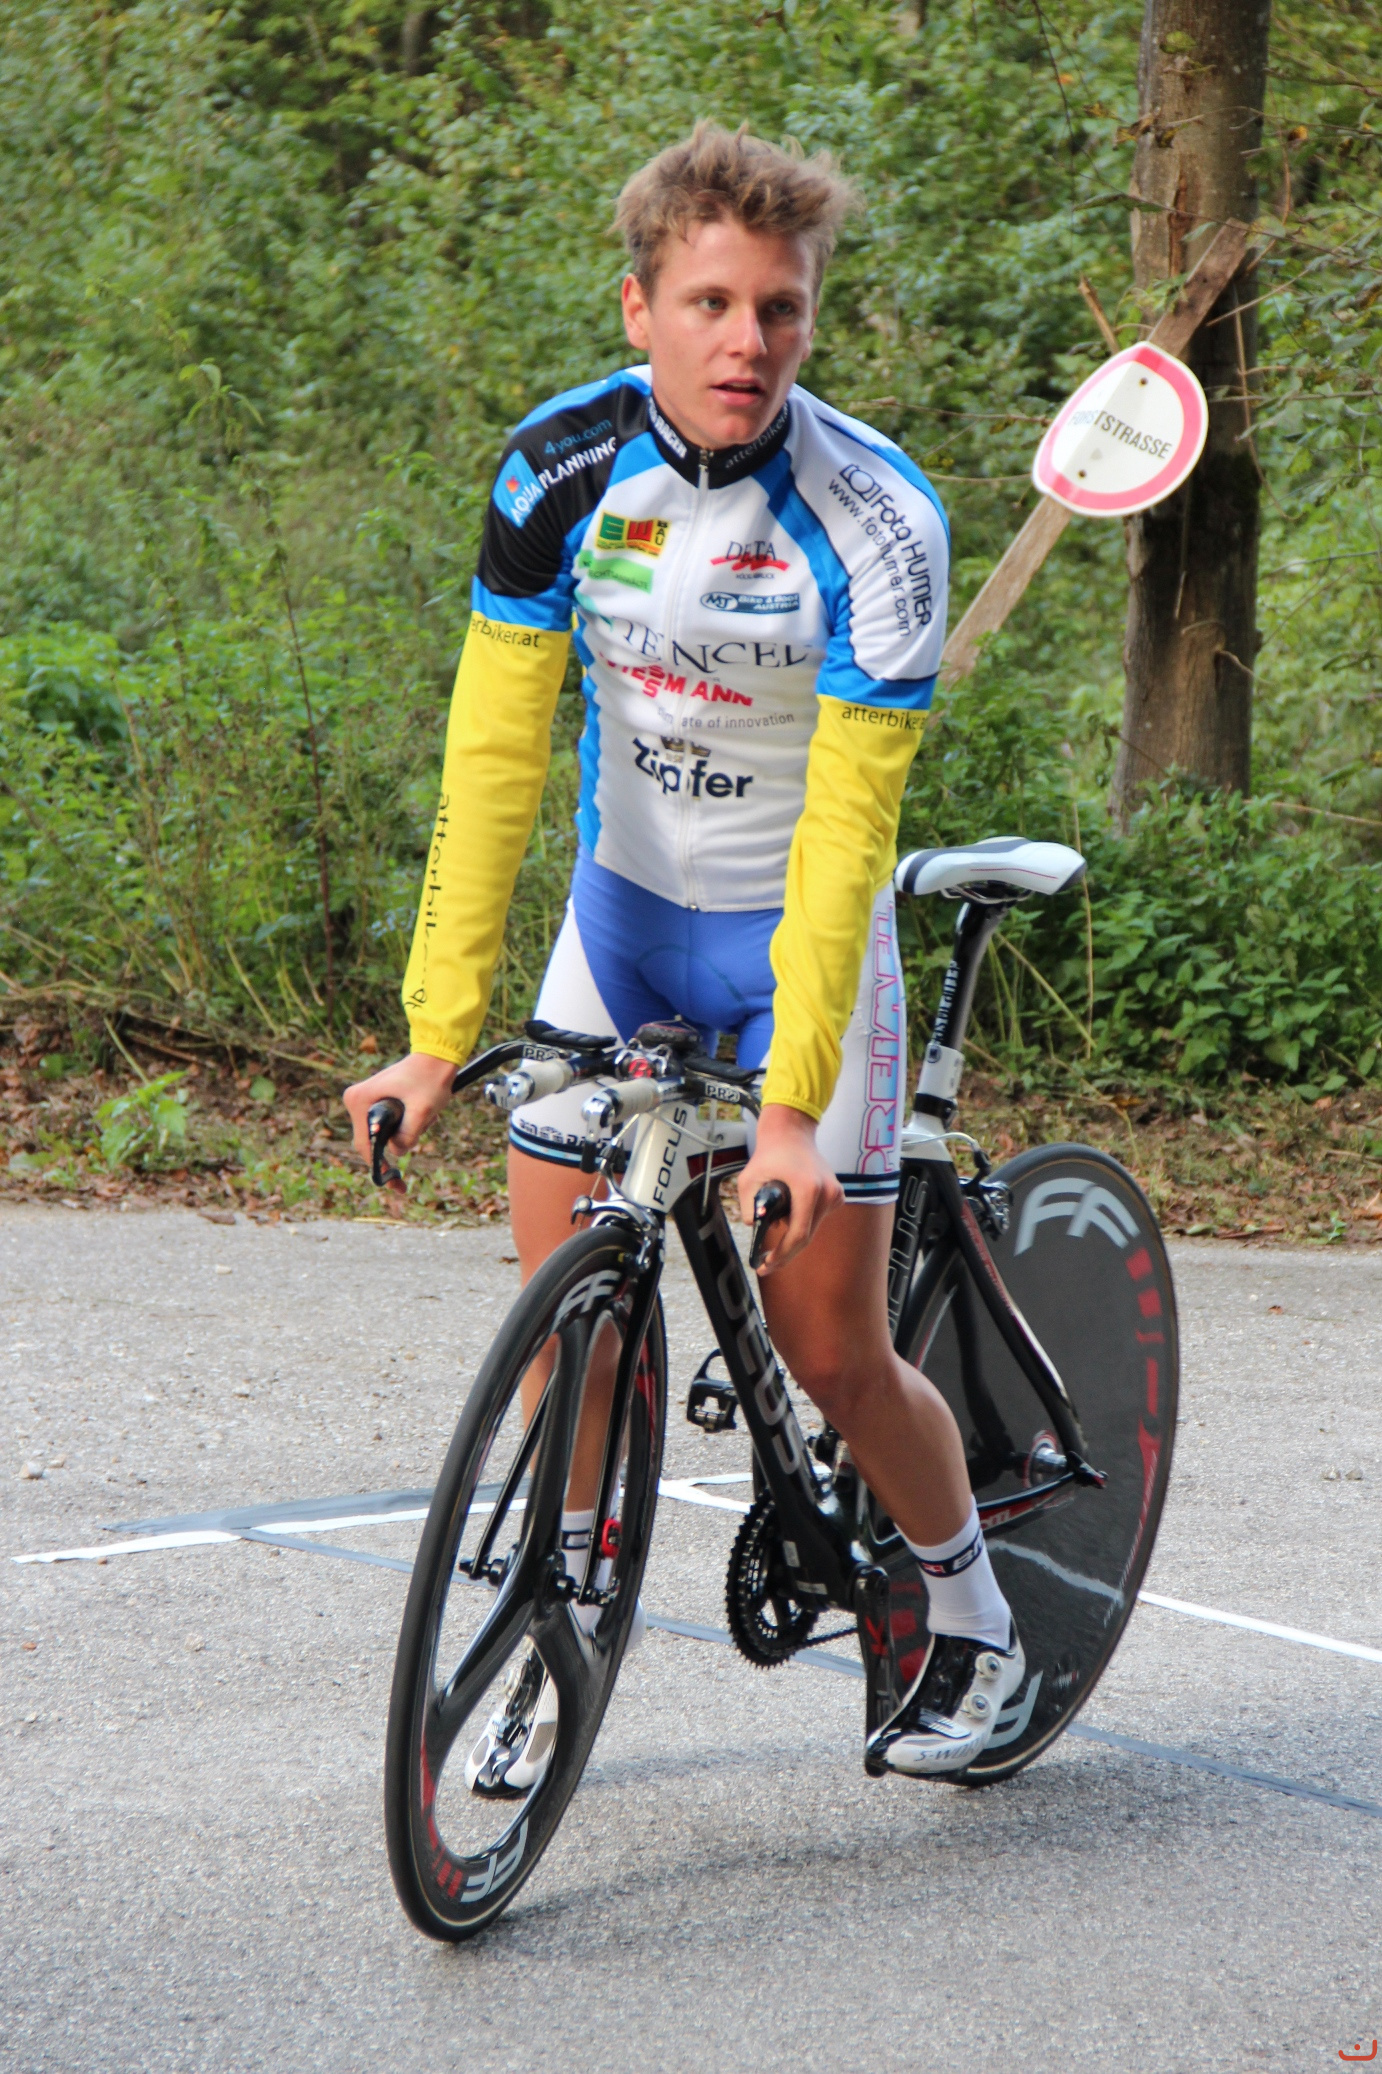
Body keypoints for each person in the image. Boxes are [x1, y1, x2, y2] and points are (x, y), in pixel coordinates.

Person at [345, 122, 1023, 1786]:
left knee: (830, 1351)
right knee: (561, 1341)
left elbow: (847, 840)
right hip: (621, 925)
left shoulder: (877, 516)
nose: (747, 343)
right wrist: (434, 1033)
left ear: (809, 316)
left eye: (779, 308)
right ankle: (549, 1648)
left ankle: (977, 1619)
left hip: (795, 958)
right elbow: (491, 763)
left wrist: (786, 1115)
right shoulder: (557, 469)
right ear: (638, 306)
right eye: (711, 303)